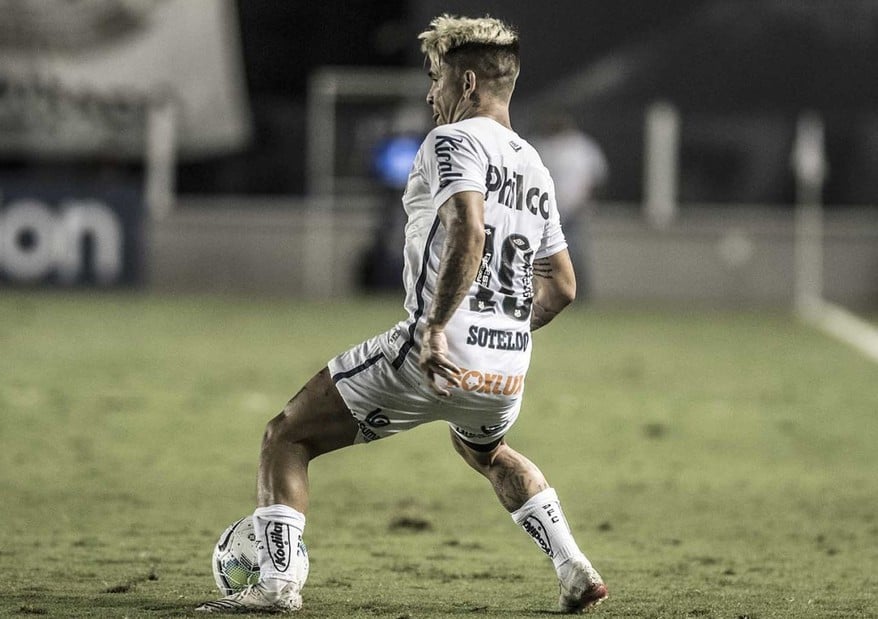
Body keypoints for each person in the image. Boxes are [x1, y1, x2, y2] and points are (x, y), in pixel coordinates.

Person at [196, 14, 607, 615]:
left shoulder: (452, 141)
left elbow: (467, 232)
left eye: (437, 77)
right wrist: (506, 328)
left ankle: (276, 586)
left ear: (467, 84)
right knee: (487, 453)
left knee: (286, 435)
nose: (430, 92)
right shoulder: (536, 168)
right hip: (505, 372)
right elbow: (563, 286)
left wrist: (439, 329)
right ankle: (575, 569)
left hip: (433, 353)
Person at [529, 113, 608, 299]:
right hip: (545, 211)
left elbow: (596, 178)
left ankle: (579, 293)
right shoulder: (540, 145)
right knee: (541, 255)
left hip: (574, 210)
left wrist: (586, 202)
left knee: (575, 252)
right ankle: (544, 291)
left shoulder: (582, 146)